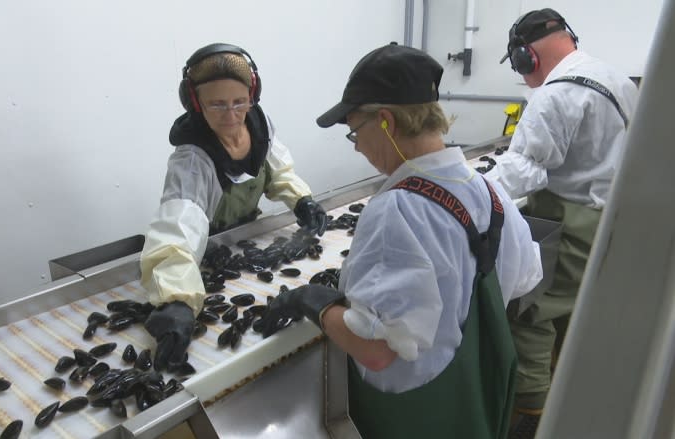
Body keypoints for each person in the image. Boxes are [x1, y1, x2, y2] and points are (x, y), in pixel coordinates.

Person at [258, 42, 543, 439]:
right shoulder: (490, 193)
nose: (358, 146)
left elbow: (374, 352)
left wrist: (316, 303)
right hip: (478, 397)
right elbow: (525, 277)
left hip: (412, 415)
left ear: (387, 121)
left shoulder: (398, 210)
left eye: (355, 131)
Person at [494, 8, 639, 437]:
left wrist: (466, 190)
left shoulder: (555, 95)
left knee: (531, 314)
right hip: (610, 216)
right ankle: (567, 393)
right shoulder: (617, 79)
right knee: (575, 310)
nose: (522, 76)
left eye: (519, 65)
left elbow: (525, 171)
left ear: (526, 56)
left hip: (570, 219)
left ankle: (532, 415)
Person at [139, 43, 327, 371]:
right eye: (217, 105)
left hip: (246, 241)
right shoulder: (193, 158)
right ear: (195, 104)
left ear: (252, 95)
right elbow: (178, 230)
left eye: (239, 102)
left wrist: (301, 199)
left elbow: (277, 170)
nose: (231, 115)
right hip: (202, 254)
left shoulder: (258, 125)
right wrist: (178, 301)